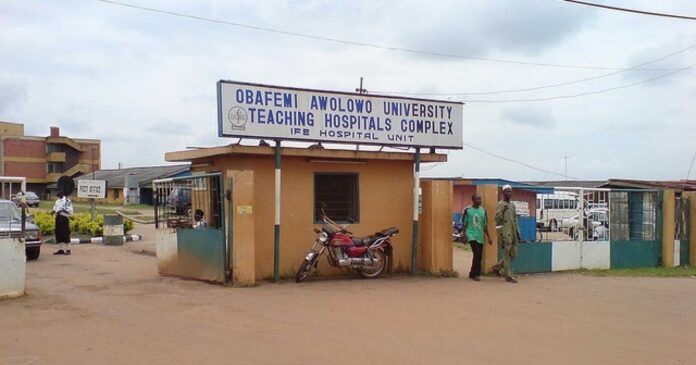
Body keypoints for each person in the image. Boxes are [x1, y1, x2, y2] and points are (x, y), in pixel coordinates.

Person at [491, 185, 521, 283]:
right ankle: (508, 275)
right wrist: (503, 211)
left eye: (510, 191)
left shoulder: (512, 205)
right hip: (505, 232)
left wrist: (517, 231)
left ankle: (497, 267)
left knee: (514, 254)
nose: (509, 193)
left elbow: (515, 219)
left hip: (513, 232)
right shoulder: (500, 204)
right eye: (507, 192)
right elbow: (496, 218)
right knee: (507, 255)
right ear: (503, 193)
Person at [461, 193, 492, 281]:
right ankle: (476, 274)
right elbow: (465, 223)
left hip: (480, 235)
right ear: (473, 200)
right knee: (477, 253)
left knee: (479, 255)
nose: (479, 201)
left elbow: (485, 225)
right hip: (470, 234)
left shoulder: (483, 211)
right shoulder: (468, 210)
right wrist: (463, 235)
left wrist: (489, 237)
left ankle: (472, 273)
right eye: (477, 199)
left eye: (480, 199)